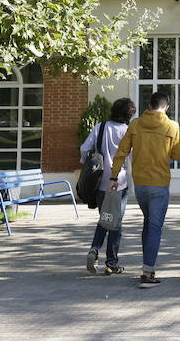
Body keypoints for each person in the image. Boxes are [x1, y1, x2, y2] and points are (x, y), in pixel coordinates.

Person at [110, 91, 180, 289]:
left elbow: (121, 152)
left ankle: (146, 266)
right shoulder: (172, 126)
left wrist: (113, 177)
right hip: (159, 183)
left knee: (148, 223)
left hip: (140, 185)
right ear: (166, 107)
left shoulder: (135, 124)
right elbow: (177, 154)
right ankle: (148, 272)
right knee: (155, 227)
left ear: (149, 105)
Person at [80, 98, 136, 276]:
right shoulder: (127, 131)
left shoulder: (100, 127)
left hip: (100, 182)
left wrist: (86, 162)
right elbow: (133, 155)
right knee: (115, 223)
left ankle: (94, 250)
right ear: (129, 114)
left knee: (105, 218)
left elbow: (84, 148)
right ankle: (111, 262)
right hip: (119, 182)